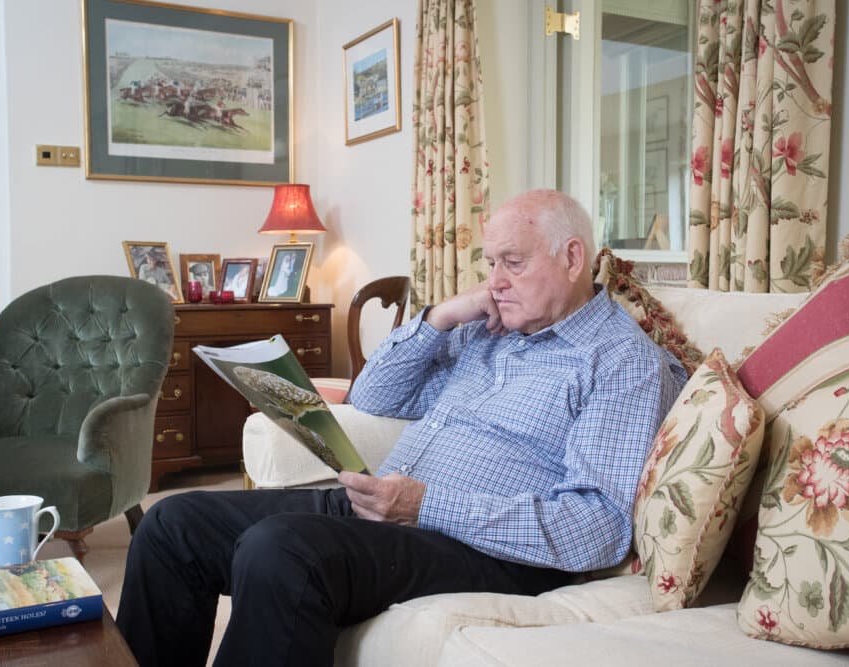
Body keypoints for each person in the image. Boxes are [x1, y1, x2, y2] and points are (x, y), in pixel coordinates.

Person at [116, 189, 688, 666]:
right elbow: (374, 396)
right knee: (172, 524)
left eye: (512, 262)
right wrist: (440, 318)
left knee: (280, 550)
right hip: (384, 512)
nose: (496, 281)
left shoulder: (620, 362)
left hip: (482, 547)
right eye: (490, 263)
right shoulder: (488, 328)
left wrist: (425, 506)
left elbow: (598, 527)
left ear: (571, 258)